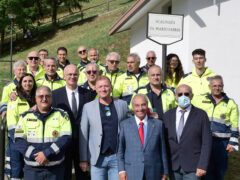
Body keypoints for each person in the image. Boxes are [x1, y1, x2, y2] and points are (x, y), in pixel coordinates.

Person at [14, 86, 72, 180]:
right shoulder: (25, 116)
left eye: (47, 96)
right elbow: (19, 140)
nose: (44, 99)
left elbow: (66, 138)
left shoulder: (62, 115)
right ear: (35, 99)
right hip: (32, 170)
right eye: (41, 96)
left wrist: (47, 153)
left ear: (51, 98)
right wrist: (36, 156)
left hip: (55, 169)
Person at [79, 76, 128, 180]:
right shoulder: (88, 107)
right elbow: (83, 133)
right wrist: (84, 159)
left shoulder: (122, 105)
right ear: (96, 89)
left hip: (116, 157)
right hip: (97, 158)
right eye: (100, 87)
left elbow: (129, 126)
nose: (103, 89)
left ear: (111, 87)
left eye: (106, 86)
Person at [52, 64, 93, 180]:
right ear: (64, 76)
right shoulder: (55, 95)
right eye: (69, 74)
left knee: (83, 174)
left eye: (75, 74)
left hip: (83, 141)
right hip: (64, 141)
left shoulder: (87, 94)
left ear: (79, 76)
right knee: (64, 174)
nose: (72, 76)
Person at [194, 75, 239, 180]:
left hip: (221, 143)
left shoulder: (231, 104)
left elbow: (235, 126)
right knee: (206, 170)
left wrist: (232, 143)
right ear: (210, 86)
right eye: (214, 86)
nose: (217, 88)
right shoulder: (201, 100)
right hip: (204, 142)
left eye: (219, 86)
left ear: (223, 86)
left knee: (220, 171)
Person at [163, 84, 212, 180]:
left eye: (186, 94)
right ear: (175, 97)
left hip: (193, 167)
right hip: (173, 166)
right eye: (180, 94)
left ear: (192, 96)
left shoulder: (201, 115)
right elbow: (164, 142)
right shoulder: (168, 115)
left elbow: (207, 142)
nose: (183, 97)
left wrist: (202, 165)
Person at [118, 94, 168, 180]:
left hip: (154, 171)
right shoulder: (124, 125)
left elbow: (163, 150)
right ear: (132, 107)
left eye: (143, 105)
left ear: (147, 106)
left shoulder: (158, 124)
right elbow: (120, 151)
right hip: (132, 171)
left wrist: (165, 171)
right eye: (137, 105)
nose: (140, 108)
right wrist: (121, 170)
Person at [5, 73, 37, 179]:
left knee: (31, 168)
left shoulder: (39, 98)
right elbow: (11, 122)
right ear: (20, 83)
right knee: (17, 169)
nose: (28, 83)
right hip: (17, 140)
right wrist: (19, 139)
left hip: (34, 139)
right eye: (25, 81)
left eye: (30, 81)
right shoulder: (15, 99)